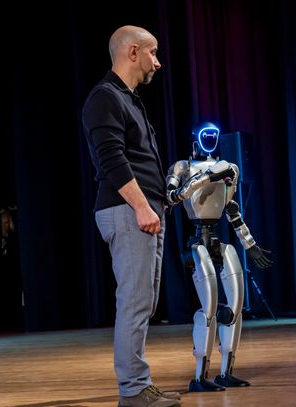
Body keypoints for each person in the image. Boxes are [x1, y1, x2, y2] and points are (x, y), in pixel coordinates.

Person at [81, 25, 181, 407]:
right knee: (135, 302)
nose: (158, 62)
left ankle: (139, 384)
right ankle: (134, 390)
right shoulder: (104, 97)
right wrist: (141, 206)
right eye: (153, 53)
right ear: (133, 52)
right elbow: (111, 159)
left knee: (144, 302)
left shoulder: (129, 99)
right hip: (127, 211)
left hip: (144, 209)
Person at [166, 122, 273, 392]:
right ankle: (199, 377)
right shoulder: (183, 167)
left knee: (235, 306)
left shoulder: (228, 168)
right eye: (206, 135)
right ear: (196, 139)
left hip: (217, 240)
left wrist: (250, 245)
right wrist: (205, 178)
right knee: (209, 309)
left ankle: (226, 372)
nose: (211, 138)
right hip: (197, 242)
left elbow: (231, 210)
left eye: (214, 135)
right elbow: (171, 197)